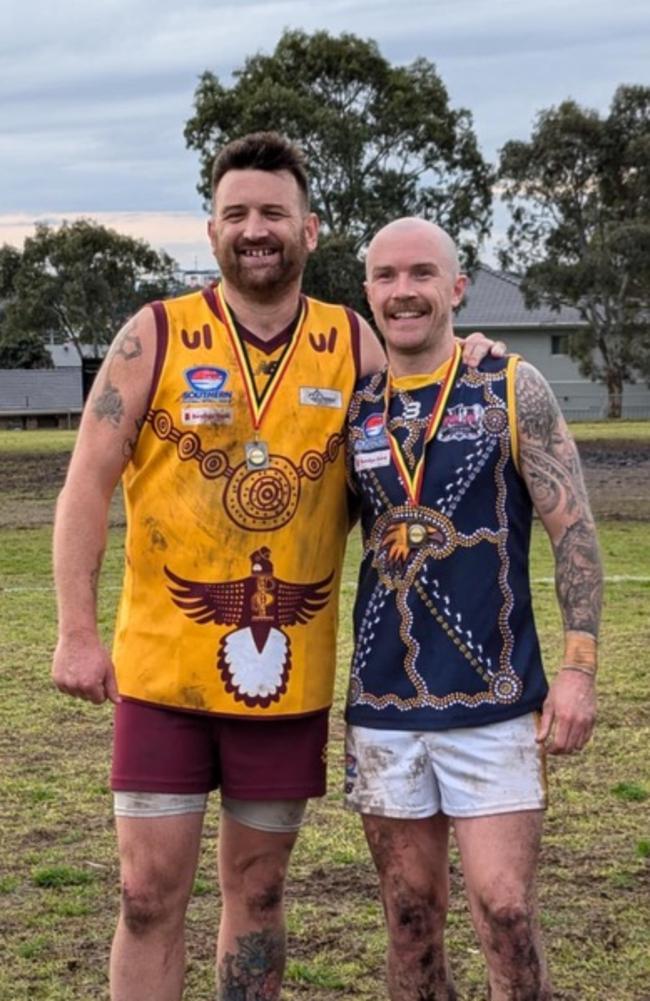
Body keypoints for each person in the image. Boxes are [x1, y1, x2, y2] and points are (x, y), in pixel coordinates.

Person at [52, 133, 500, 1001]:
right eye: (237, 214)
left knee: (258, 893)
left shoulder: (352, 340)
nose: (256, 230)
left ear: (310, 229)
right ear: (212, 228)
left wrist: (466, 351)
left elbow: (427, 397)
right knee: (147, 897)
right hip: (161, 675)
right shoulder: (154, 334)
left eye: (274, 214)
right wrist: (75, 631)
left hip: (284, 685)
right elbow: (84, 484)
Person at [344, 217, 602, 1000]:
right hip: (384, 706)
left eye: (422, 274)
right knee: (411, 917)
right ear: (368, 293)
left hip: (497, 702)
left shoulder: (510, 386)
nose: (404, 291)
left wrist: (579, 668)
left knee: (507, 910)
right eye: (386, 277)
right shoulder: (352, 407)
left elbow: (576, 532)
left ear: (457, 287)